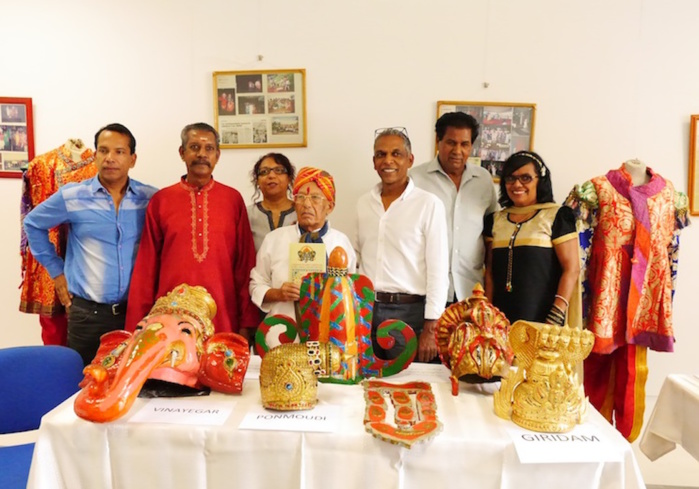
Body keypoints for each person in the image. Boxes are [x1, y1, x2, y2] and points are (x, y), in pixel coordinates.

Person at [24, 123, 157, 365]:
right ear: (94, 156)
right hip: (87, 316)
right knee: (84, 387)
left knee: (136, 388)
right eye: (103, 151)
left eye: (119, 152)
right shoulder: (73, 196)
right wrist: (56, 272)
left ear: (132, 159)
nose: (110, 158)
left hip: (137, 314)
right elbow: (33, 224)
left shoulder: (150, 199)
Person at [125, 122, 259, 340]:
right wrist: (138, 323)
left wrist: (247, 322)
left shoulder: (232, 200)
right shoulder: (162, 201)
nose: (202, 154)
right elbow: (147, 267)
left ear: (217, 155)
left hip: (223, 318)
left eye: (209, 149)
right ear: (182, 153)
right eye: (194, 147)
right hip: (167, 319)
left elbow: (244, 266)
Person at [355, 128, 449, 363]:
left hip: (409, 314)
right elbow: (355, 257)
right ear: (374, 162)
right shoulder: (363, 204)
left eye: (396, 154)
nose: (388, 160)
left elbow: (438, 270)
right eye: (381, 154)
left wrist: (431, 327)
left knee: (408, 388)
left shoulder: (429, 205)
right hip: (365, 312)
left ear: (410, 160)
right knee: (366, 384)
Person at [483, 151, 579, 326]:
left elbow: (571, 269)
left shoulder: (557, 215)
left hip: (543, 319)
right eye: (510, 178)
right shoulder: (494, 220)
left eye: (525, 178)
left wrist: (556, 315)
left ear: (540, 180)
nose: (517, 184)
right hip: (499, 320)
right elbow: (489, 271)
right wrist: (487, 313)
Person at [410, 112, 498, 303]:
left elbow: (492, 233)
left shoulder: (483, 180)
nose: (458, 150)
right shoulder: (415, 179)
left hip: (471, 291)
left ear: (471, 146)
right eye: (451, 142)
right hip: (425, 292)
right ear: (438, 141)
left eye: (464, 144)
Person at [250, 167, 356, 320]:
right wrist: (278, 294)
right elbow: (256, 285)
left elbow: (351, 292)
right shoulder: (274, 239)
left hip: (327, 333)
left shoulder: (341, 243)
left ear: (330, 207)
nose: (306, 204)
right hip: (283, 332)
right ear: (294, 204)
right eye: (300, 197)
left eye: (315, 198)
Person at [247, 153, 297, 252]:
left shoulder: (301, 213)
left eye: (278, 170)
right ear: (257, 181)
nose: (271, 175)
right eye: (264, 172)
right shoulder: (247, 215)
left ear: (289, 179)